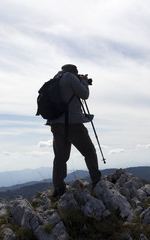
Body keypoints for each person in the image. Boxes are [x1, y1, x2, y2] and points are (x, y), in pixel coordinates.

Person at [48, 64, 101, 198]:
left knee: (60, 157)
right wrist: (83, 82)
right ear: (74, 71)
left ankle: (58, 188)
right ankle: (96, 182)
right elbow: (85, 95)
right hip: (73, 124)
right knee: (89, 151)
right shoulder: (70, 77)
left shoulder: (55, 79)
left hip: (56, 124)